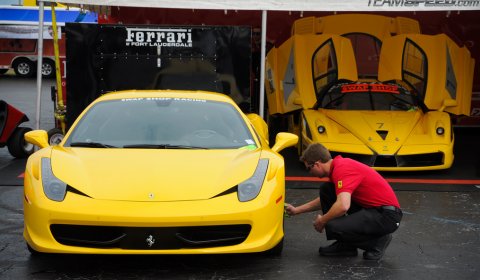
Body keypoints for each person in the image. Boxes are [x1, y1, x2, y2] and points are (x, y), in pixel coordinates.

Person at [285, 143, 402, 260]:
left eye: (309, 168)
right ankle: (346, 246)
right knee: (327, 190)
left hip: (387, 216)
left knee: (332, 225)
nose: (309, 172)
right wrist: (296, 210)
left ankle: (377, 243)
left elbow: (343, 206)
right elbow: (327, 200)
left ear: (317, 164)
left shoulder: (342, 169)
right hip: (375, 210)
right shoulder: (338, 167)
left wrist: (323, 221)